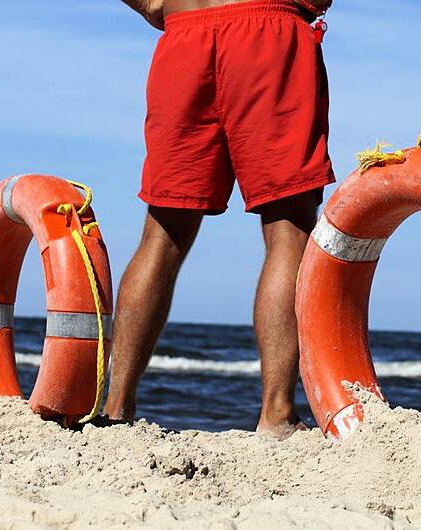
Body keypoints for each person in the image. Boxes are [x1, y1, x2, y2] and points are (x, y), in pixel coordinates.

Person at [106, 0, 334, 439]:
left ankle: (117, 409)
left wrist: (157, 5)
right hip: (269, 31)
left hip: (184, 34)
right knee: (289, 228)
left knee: (162, 231)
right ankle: (277, 413)